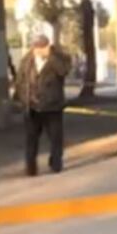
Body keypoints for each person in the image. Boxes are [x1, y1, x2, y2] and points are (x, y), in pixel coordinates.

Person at [14, 34, 72, 177]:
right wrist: (22, 99)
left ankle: (55, 163)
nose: (39, 50)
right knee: (31, 138)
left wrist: (51, 57)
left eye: (42, 47)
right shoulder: (27, 61)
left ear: (48, 46)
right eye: (36, 47)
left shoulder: (59, 58)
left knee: (55, 137)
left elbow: (63, 71)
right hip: (32, 106)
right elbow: (20, 81)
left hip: (52, 106)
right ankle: (31, 167)